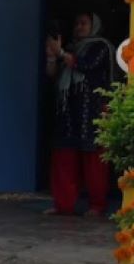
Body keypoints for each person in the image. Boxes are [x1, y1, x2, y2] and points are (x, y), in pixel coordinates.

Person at [44, 12, 114, 216]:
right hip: (68, 113)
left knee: (94, 162)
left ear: (94, 26)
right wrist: (51, 56)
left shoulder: (101, 47)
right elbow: (52, 76)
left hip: (92, 111)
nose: (79, 27)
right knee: (64, 159)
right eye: (77, 23)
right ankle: (63, 205)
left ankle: (96, 206)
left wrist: (61, 54)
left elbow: (86, 65)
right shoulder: (71, 48)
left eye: (84, 23)